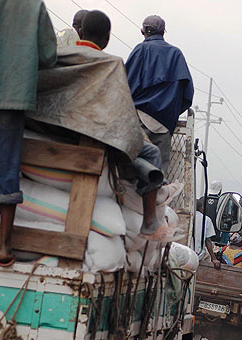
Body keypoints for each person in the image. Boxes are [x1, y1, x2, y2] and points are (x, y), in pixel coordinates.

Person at [76, 10, 173, 241]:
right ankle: (149, 220)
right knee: (150, 153)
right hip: (97, 134)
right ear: (107, 39)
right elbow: (118, 105)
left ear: (79, 31)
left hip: (57, 130)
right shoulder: (109, 64)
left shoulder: (60, 56)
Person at [0, 0, 57, 267]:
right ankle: (6, 246)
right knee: (7, 168)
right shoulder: (33, 5)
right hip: (11, 95)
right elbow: (47, 56)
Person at [125, 15, 194, 173]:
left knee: (131, 170)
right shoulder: (176, 54)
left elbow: (125, 85)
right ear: (163, 32)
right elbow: (187, 94)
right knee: (159, 176)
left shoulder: (140, 50)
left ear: (143, 31)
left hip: (138, 119)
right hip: (164, 125)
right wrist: (171, 113)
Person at [195, 198, 220, 268]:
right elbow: (207, 240)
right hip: (198, 255)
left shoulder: (185, 217)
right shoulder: (206, 219)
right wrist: (214, 258)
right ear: (201, 208)